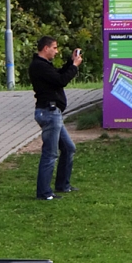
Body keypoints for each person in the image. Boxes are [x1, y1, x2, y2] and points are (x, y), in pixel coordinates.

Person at [28, 36, 83, 200]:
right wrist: (74, 67)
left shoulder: (44, 65)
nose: (56, 51)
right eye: (54, 48)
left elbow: (57, 75)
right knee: (50, 153)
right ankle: (44, 193)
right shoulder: (39, 66)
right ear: (46, 48)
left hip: (53, 113)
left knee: (68, 148)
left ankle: (62, 185)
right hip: (49, 112)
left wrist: (70, 62)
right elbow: (61, 80)